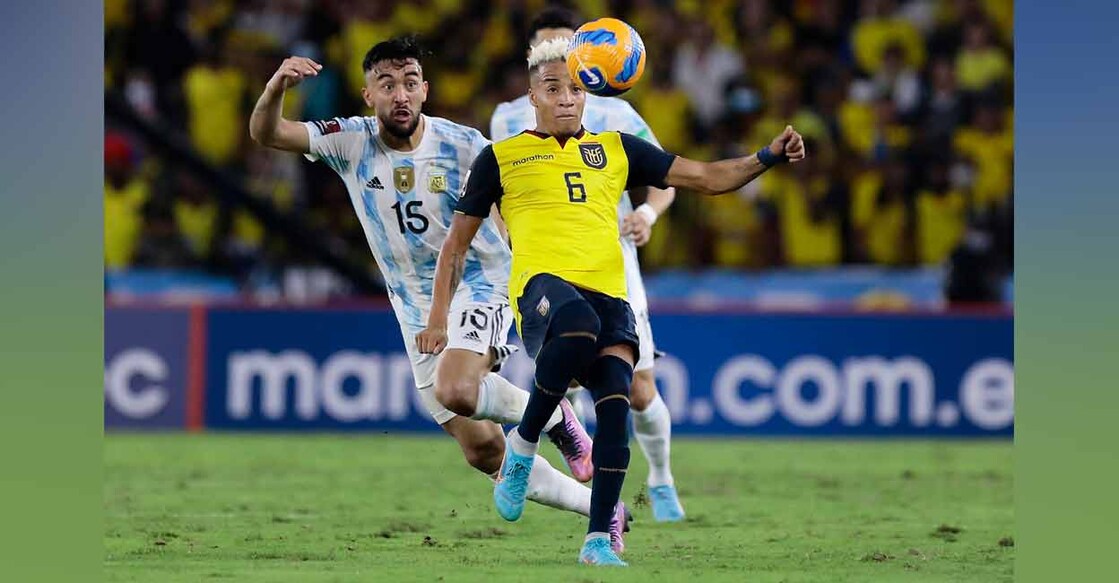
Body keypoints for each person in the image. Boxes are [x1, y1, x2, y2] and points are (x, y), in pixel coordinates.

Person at [420, 37, 805, 566]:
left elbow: (707, 177)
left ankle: (598, 540)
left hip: (611, 296)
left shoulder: (617, 148)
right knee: (576, 324)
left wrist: (768, 156)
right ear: (532, 97)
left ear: (587, 96)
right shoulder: (500, 157)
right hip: (541, 292)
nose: (565, 98)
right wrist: (439, 318)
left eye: (574, 88)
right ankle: (525, 449)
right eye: (552, 88)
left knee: (617, 408)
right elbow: (457, 246)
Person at [248, 35, 631, 551]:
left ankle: (556, 416)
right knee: (480, 450)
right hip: (412, 304)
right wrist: (277, 86)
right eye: (387, 85)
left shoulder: (464, 143)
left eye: (409, 83)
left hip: (481, 280)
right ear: (368, 96)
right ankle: (601, 509)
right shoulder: (350, 141)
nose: (400, 95)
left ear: (425, 90)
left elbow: (507, 202)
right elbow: (266, 132)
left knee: (456, 388)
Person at [488, 7, 685, 523]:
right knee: (569, 368)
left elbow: (666, 177)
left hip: (611, 262)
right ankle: (584, 489)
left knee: (639, 389)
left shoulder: (615, 112)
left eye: (566, 45)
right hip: (545, 266)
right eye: (546, 46)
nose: (560, 59)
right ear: (532, 58)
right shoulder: (507, 117)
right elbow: (496, 186)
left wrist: (646, 213)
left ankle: (660, 477)